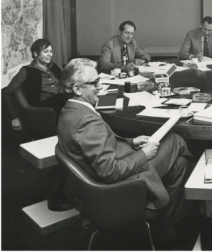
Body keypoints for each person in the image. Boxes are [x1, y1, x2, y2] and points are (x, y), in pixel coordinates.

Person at [57, 58, 194, 240]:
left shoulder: (71, 111)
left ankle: (166, 224)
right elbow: (109, 171)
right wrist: (144, 155)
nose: (101, 87)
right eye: (95, 83)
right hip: (120, 188)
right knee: (176, 141)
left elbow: (101, 145)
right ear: (77, 89)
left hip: (111, 176)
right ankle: (184, 218)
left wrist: (131, 142)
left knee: (180, 165)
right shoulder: (86, 122)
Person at [2, 38, 67, 131]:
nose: (50, 54)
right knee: (63, 98)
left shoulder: (54, 67)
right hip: (43, 106)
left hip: (60, 104)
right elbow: (6, 93)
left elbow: (66, 81)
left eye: (51, 51)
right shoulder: (26, 71)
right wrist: (14, 117)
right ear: (36, 54)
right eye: (46, 51)